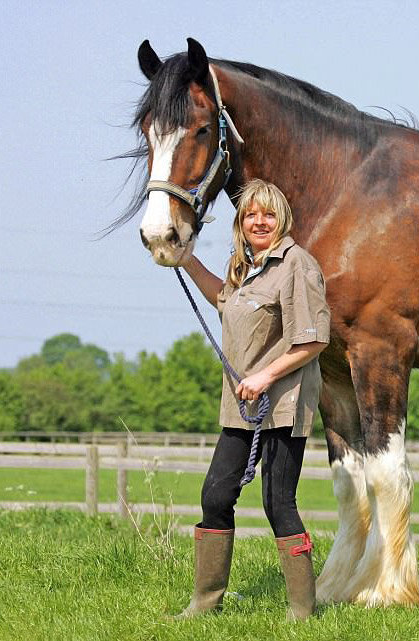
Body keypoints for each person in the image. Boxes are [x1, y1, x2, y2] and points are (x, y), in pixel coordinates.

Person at [175, 179, 330, 621]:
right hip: (241, 407)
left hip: (282, 402)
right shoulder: (244, 268)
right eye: (249, 215)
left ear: (281, 219)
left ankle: (302, 611)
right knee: (215, 495)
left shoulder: (296, 264)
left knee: (278, 503)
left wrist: (264, 376)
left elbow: (313, 340)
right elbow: (224, 301)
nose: (258, 222)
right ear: (241, 224)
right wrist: (187, 261)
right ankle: (206, 604)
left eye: (267, 214)